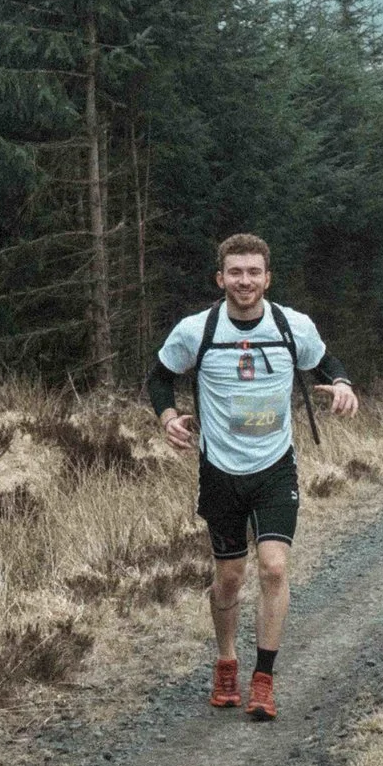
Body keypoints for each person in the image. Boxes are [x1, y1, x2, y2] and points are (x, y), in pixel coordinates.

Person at [148, 233, 357, 721]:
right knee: (229, 577)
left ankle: (263, 679)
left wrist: (343, 383)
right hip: (219, 470)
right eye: (236, 272)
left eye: (254, 272)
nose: (245, 281)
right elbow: (158, 377)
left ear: (268, 278)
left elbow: (325, 359)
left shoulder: (291, 325)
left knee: (274, 568)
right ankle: (226, 661)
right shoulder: (196, 331)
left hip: (274, 465)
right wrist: (167, 418)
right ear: (221, 278)